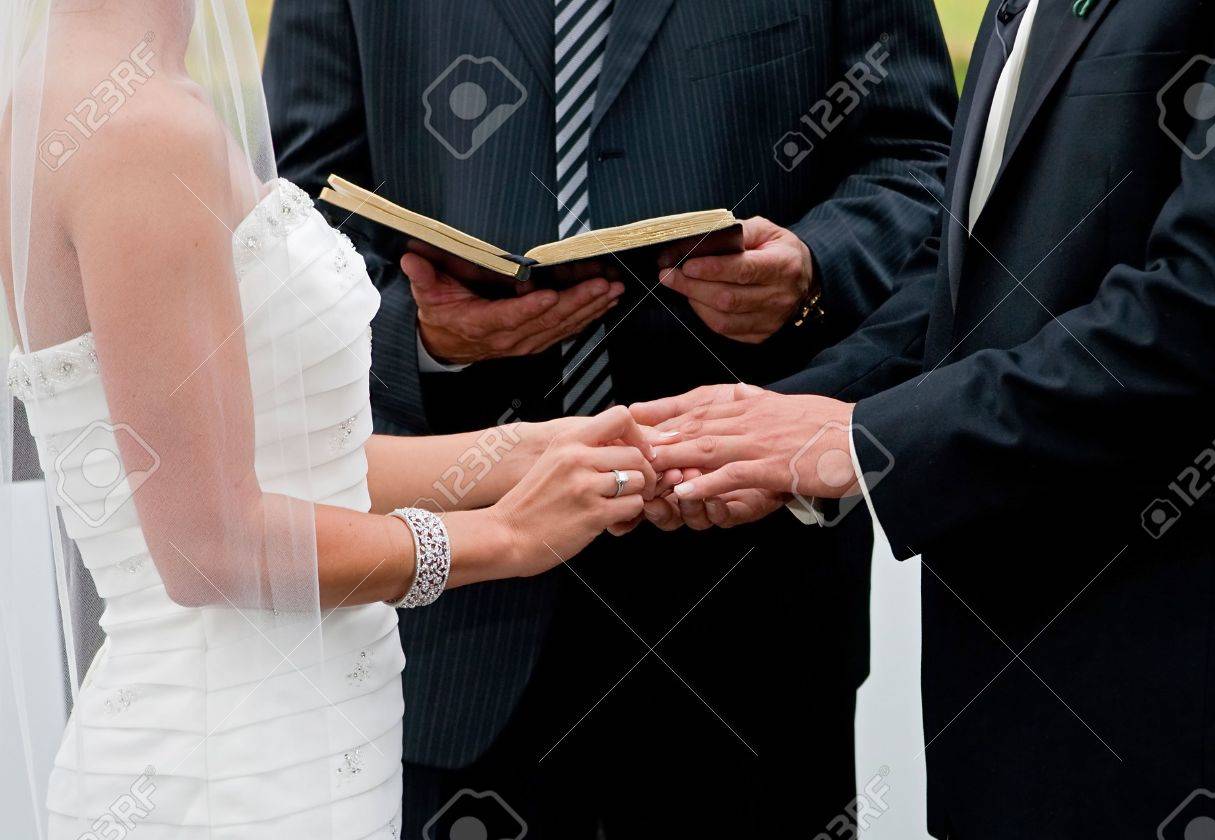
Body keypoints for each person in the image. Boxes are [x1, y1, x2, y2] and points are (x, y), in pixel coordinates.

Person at [263, 1, 956, 836]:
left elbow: (919, 164)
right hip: (456, 628)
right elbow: (296, 219)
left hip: (749, 614)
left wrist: (815, 271)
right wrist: (417, 333)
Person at [635, 0, 1215, 835]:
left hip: (1183, 691)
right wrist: (768, 426)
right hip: (997, 695)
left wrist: (860, 441)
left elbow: (1214, 307)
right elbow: (968, 290)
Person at [0, 2, 658, 837]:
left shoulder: (112, 95)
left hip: (304, 749)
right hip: (230, 775)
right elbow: (210, 547)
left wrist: (534, 450)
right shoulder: (136, 129)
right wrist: (507, 539)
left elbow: (295, 463)